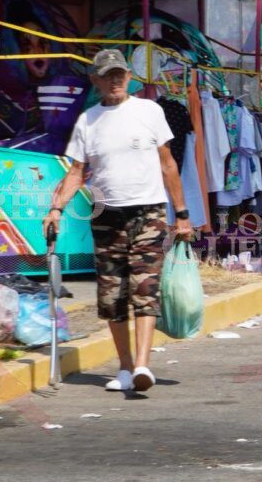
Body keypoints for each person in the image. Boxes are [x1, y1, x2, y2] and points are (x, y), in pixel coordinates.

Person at [44, 49, 196, 395]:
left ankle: (142, 364)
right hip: (106, 216)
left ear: (129, 77)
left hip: (149, 213)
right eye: (107, 75)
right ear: (95, 80)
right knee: (112, 297)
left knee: (145, 289)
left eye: (120, 74)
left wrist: (183, 214)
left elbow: (168, 163)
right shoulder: (88, 121)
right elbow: (77, 172)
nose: (115, 80)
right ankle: (125, 367)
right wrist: (56, 209)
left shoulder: (149, 110)